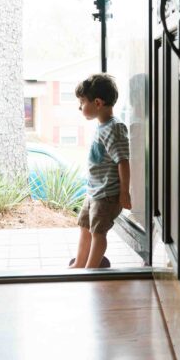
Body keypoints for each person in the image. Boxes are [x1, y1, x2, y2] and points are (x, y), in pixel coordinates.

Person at [70, 73, 131, 269]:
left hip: (106, 195)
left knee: (98, 233)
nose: (80, 107)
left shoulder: (115, 128)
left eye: (82, 102)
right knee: (85, 227)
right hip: (94, 192)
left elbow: (123, 161)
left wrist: (123, 193)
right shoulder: (102, 126)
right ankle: (80, 264)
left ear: (97, 102)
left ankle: (91, 269)